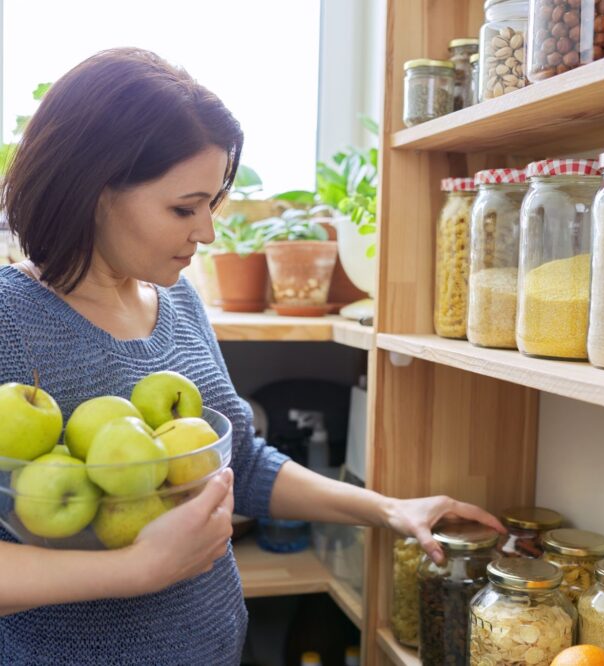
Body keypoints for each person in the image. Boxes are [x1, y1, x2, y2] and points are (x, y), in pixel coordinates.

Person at [0, 48, 503, 665]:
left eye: (212, 203)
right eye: (184, 207)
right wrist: (138, 569)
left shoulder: (178, 300)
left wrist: (390, 509)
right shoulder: (10, 319)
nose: (207, 232)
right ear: (95, 189)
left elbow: (241, 461)